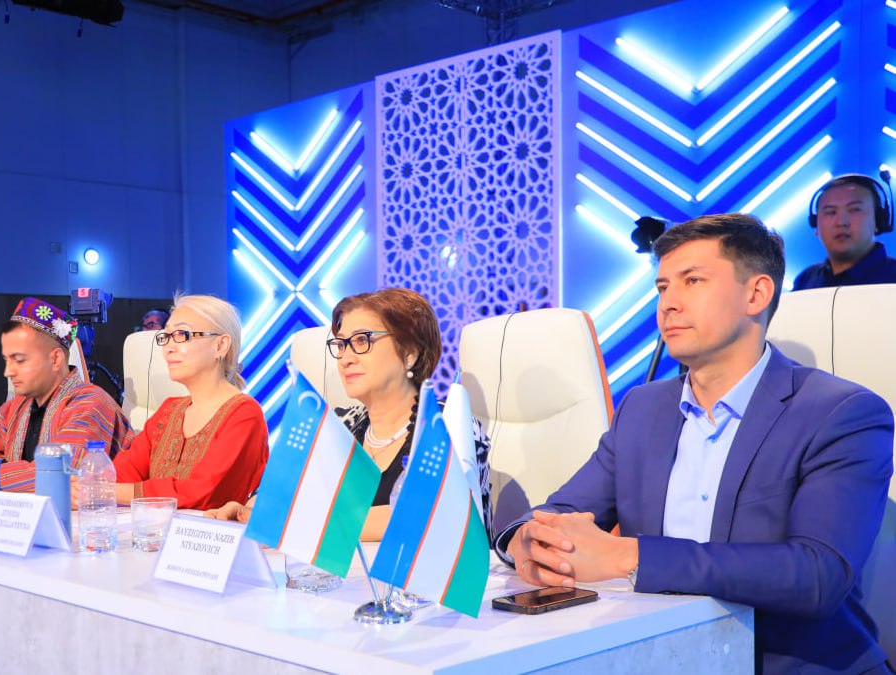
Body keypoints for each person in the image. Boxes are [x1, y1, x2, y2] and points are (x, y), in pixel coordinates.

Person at [498, 214, 893, 673]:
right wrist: (527, 539)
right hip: (659, 658)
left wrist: (628, 556)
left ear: (756, 294)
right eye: (663, 287)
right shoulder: (642, 408)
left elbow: (817, 575)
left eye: (693, 281)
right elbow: (562, 511)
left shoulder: (841, 412)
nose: (668, 303)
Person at [208, 287, 493, 543]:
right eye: (341, 345)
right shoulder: (340, 423)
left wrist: (302, 523)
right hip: (344, 580)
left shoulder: (447, 424)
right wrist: (249, 510)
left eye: (362, 340)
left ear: (409, 353)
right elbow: (280, 487)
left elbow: (426, 517)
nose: (345, 358)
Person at [0, 298, 134, 491]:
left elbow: (63, 474)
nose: (8, 372)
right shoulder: (16, 406)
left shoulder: (90, 403)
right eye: (6, 360)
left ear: (55, 359)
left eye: (19, 360)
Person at [111, 295, 266, 509]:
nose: (168, 348)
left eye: (182, 335)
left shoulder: (244, 414)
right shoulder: (169, 410)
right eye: (166, 336)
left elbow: (198, 493)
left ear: (220, 345)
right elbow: (120, 475)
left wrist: (108, 492)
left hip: (210, 530)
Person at [793, 174, 896, 289]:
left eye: (855, 209)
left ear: (878, 219)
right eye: (831, 212)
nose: (841, 222)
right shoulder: (805, 280)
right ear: (815, 224)